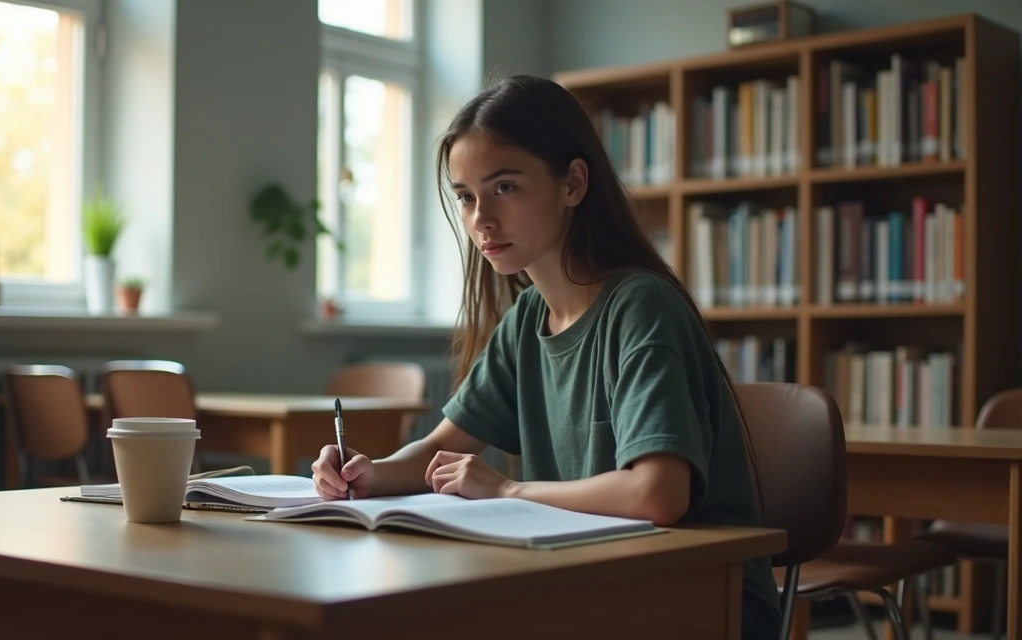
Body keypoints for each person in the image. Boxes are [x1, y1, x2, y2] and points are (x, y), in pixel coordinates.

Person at [310, 74, 781, 639]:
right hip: (590, 580)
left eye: (504, 188)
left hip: (701, 594)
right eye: (465, 196)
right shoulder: (528, 317)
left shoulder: (641, 308)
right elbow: (440, 448)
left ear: (573, 184)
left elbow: (657, 495)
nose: (480, 218)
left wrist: (507, 490)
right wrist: (367, 475)